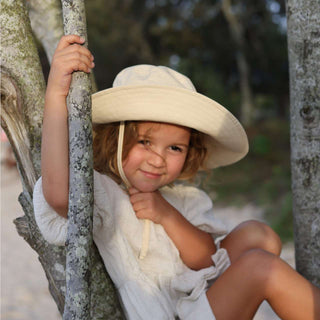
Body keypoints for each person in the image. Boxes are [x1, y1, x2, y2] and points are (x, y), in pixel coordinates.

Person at [33, 35, 320, 320]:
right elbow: (59, 194)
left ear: (189, 153)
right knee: (262, 268)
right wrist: (56, 94)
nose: (158, 159)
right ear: (114, 139)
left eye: (174, 148)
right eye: (144, 141)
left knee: (261, 235)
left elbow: (206, 261)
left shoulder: (181, 199)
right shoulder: (106, 193)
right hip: (165, 313)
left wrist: (166, 215)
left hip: (196, 298)